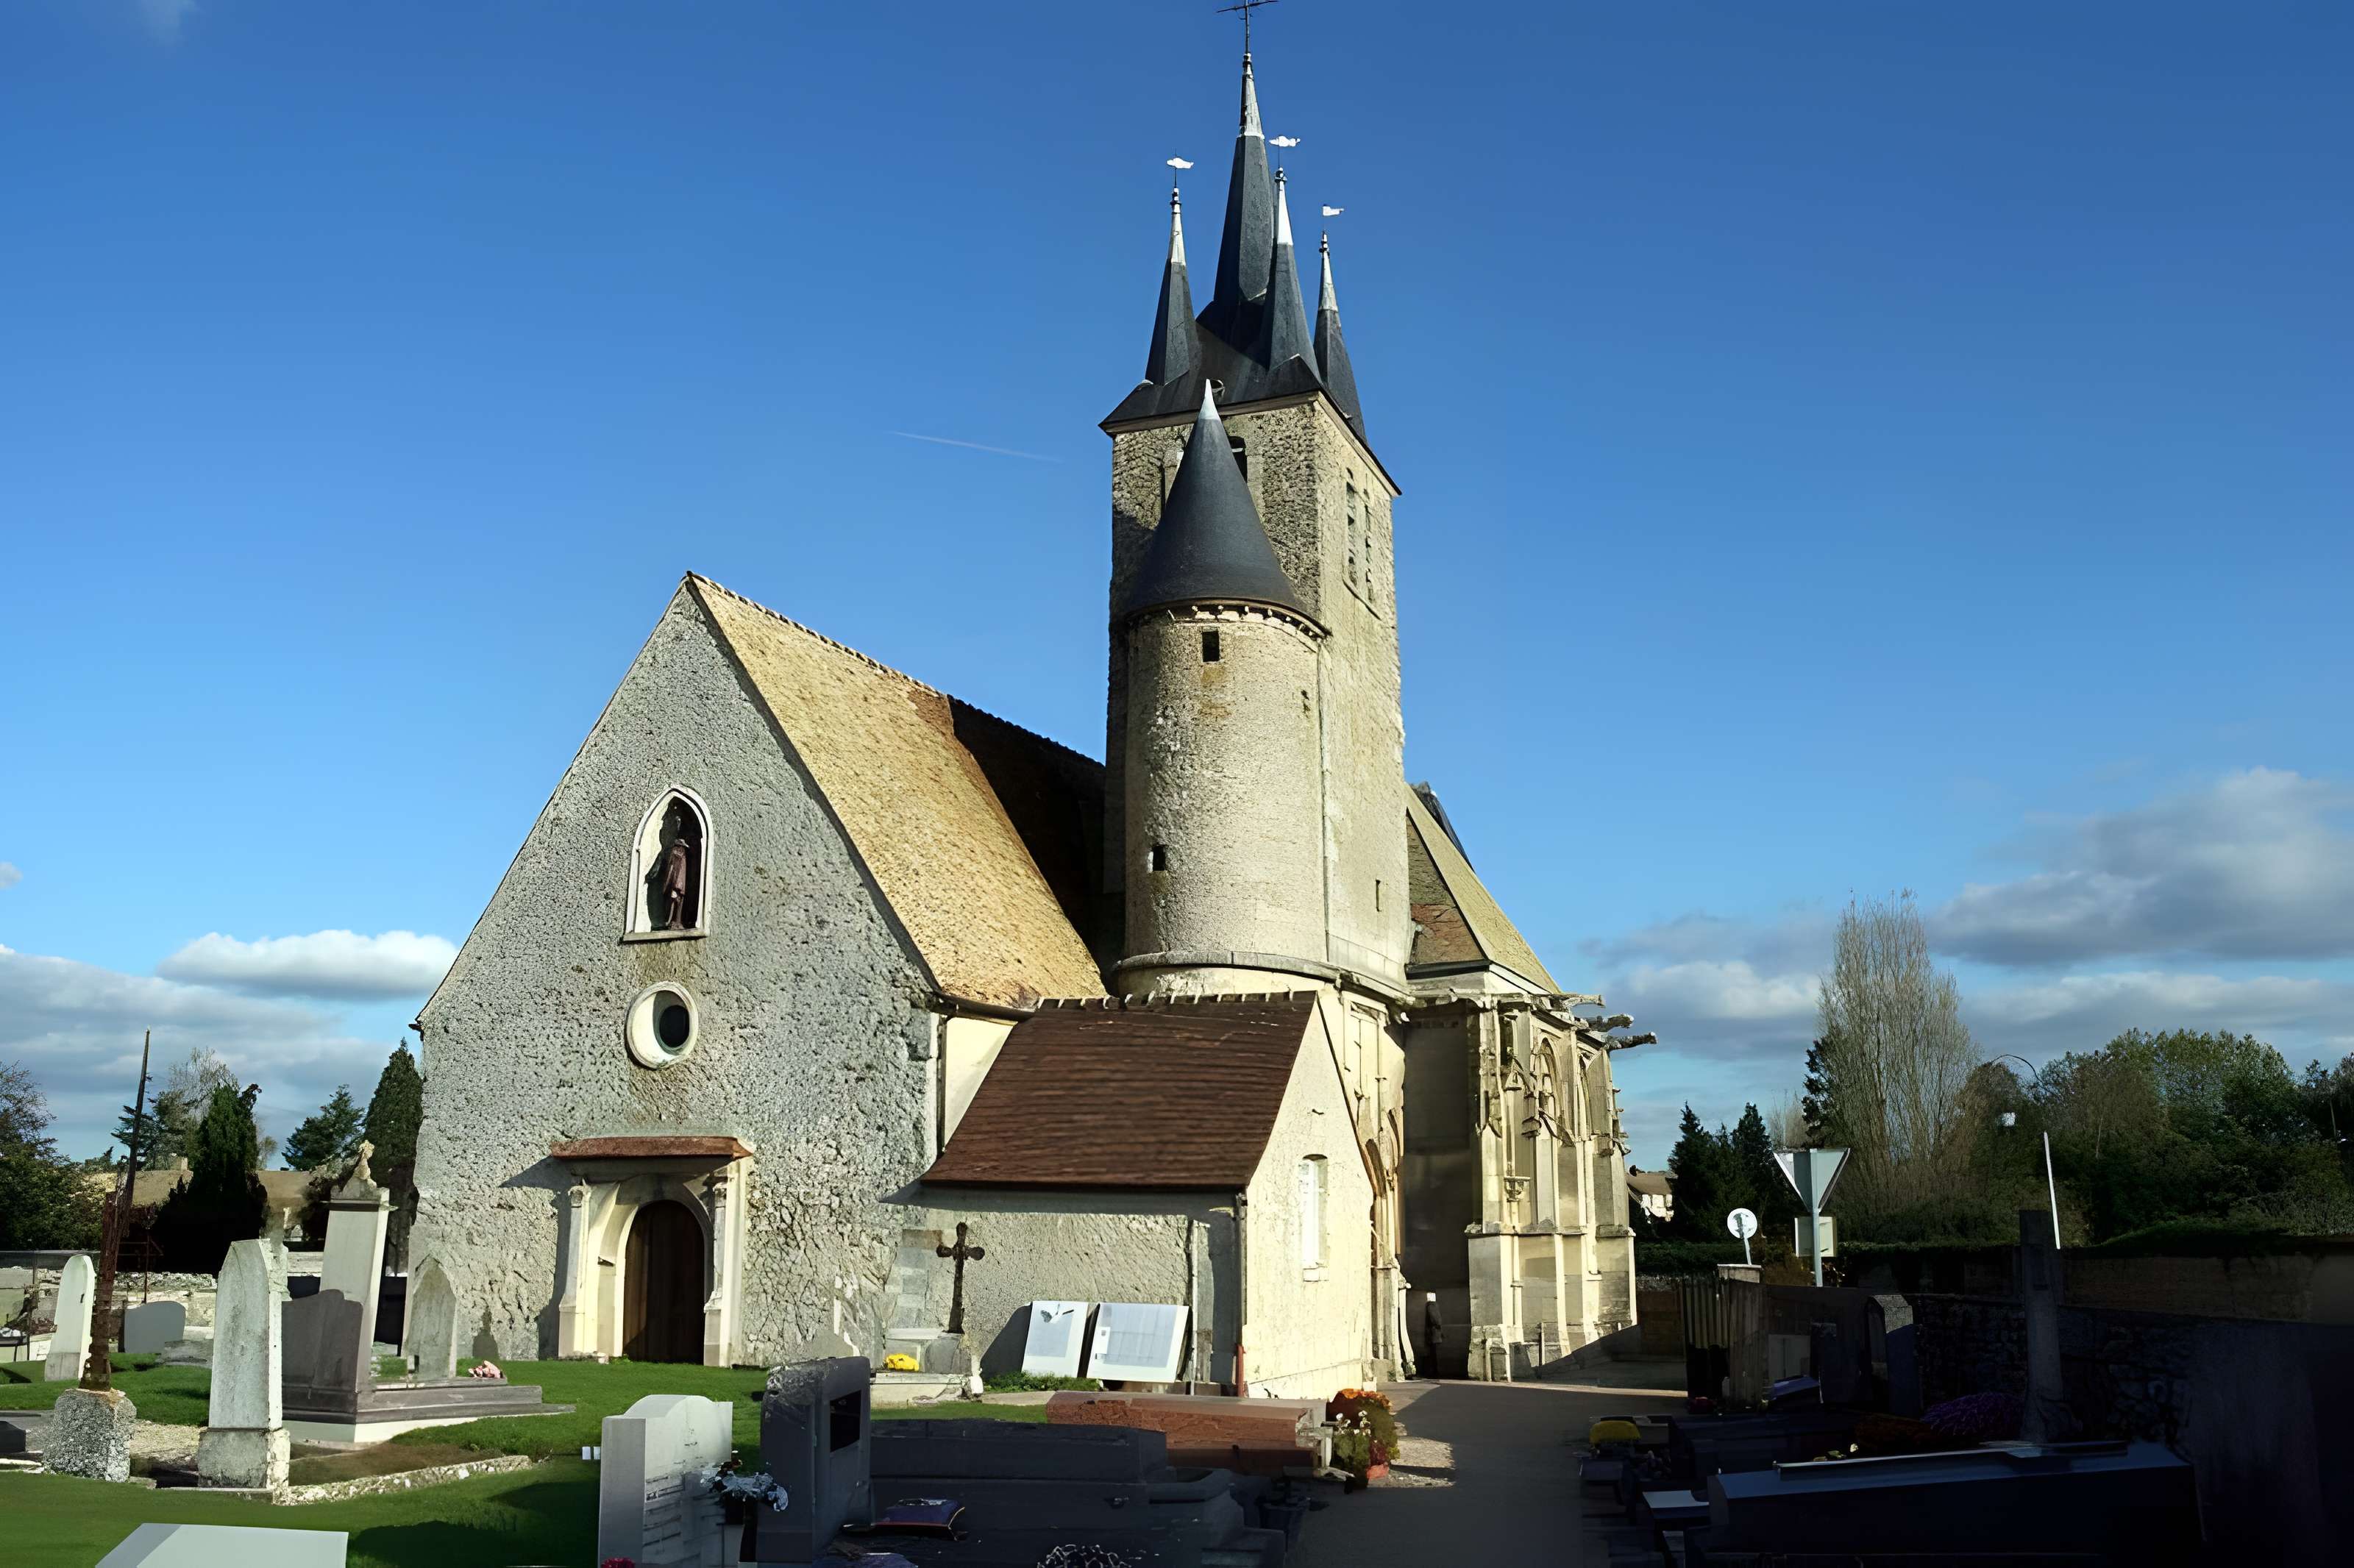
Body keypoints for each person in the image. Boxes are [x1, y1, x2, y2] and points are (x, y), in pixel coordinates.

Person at [1421, 1291, 1444, 1379]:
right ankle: (1435, 1372)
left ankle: (1434, 1372)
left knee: (1433, 1354)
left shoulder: (1431, 1306)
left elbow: (1435, 1320)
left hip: (1432, 1334)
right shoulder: (1433, 1306)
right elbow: (1436, 1320)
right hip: (1434, 1334)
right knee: (1433, 1354)